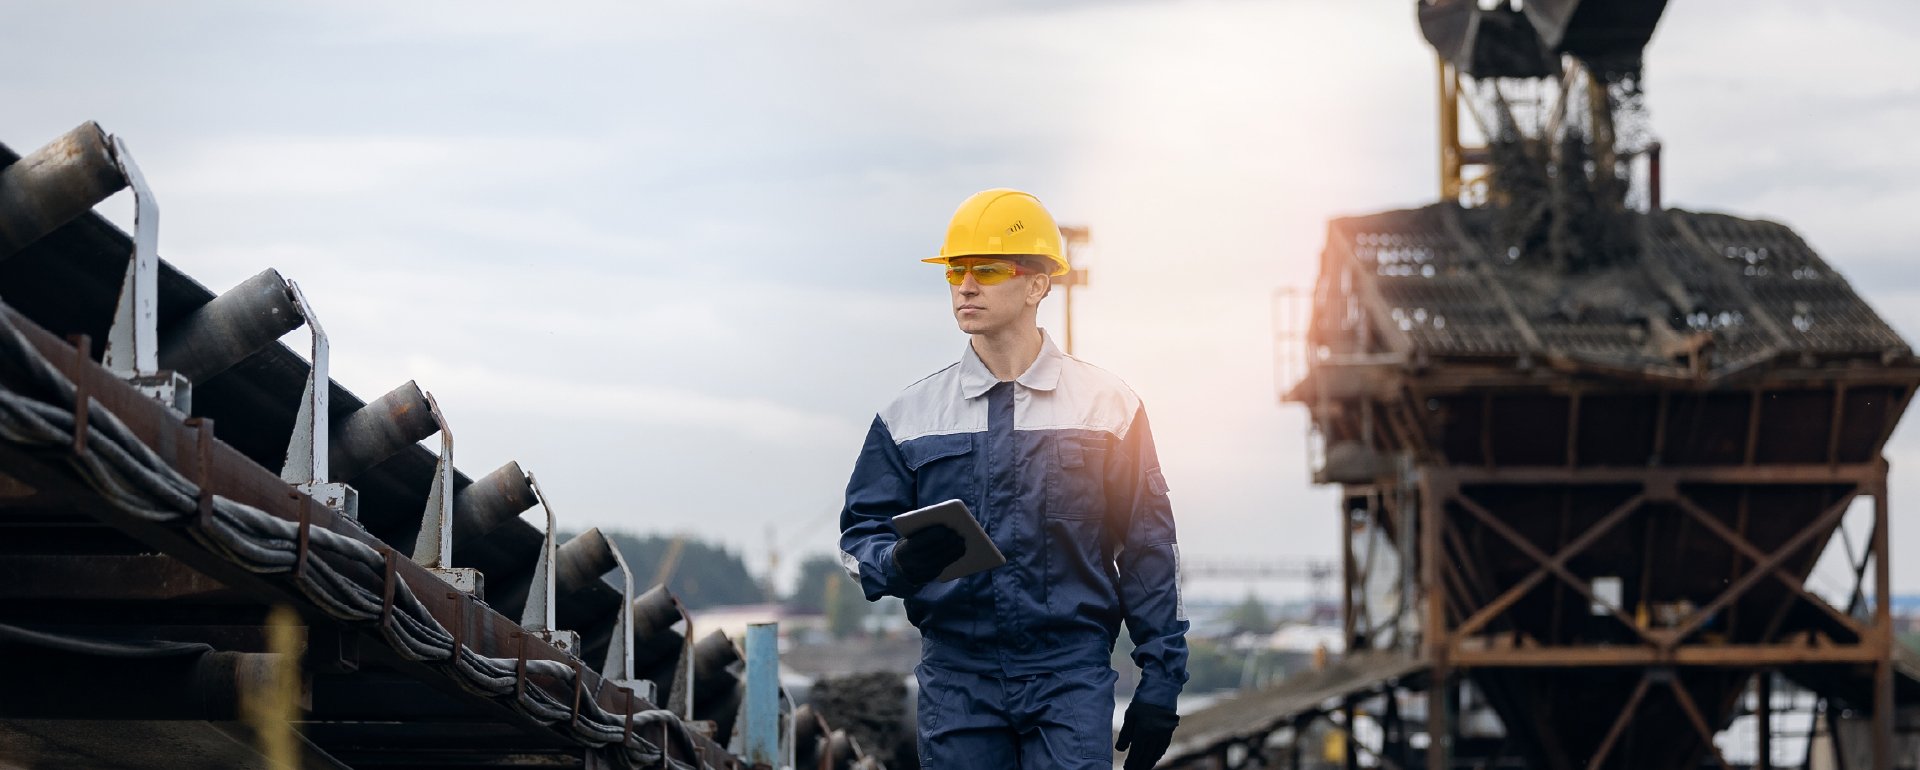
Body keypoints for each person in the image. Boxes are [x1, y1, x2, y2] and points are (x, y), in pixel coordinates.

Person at [838, 188, 1189, 769]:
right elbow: (856, 539)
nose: (965, 286)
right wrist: (897, 562)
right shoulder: (909, 418)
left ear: (1037, 285)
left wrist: (1161, 680)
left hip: (1069, 677)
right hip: (958, 679)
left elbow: (1151, 551)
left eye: (988, 269)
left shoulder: (1108, 409)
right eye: (955, 270)